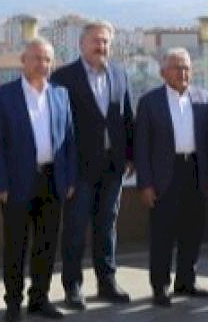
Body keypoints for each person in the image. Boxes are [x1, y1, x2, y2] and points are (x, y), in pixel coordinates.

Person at [0, 38, 77, 321]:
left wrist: (69, 178)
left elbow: (69, 139)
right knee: (16, 246)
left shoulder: (61, 94)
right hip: (17, 183)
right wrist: (0, 184)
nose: (42, 64)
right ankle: (13, 304)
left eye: (47, 59)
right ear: (23, 61)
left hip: (53, 179)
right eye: (37, 58)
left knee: (47, 245)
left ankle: (39, 299)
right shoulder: (3, 96)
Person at [50, 20, 133, 308]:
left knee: (107, 227)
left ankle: (107, 282)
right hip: (80, 168)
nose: (101, 46)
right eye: (95, 41)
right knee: (75, 228)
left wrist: (130, 156)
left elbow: (126, 117)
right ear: (81, 44)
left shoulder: (119, 74)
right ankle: (73, 286)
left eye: (105, 41)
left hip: (112, 166)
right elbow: (57, 124)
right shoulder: (63, 77)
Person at [135, 48, 208, 307]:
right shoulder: (149, 102)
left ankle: (186, 281)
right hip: (165, 174)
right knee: (162, 234)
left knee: (192, 231)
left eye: (186, 67)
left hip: (195, 171)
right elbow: (141, 147)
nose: (183, 72)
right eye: (176, 67)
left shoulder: (204, 99)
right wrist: (145, 184)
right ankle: (160, 287)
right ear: (163, 72)